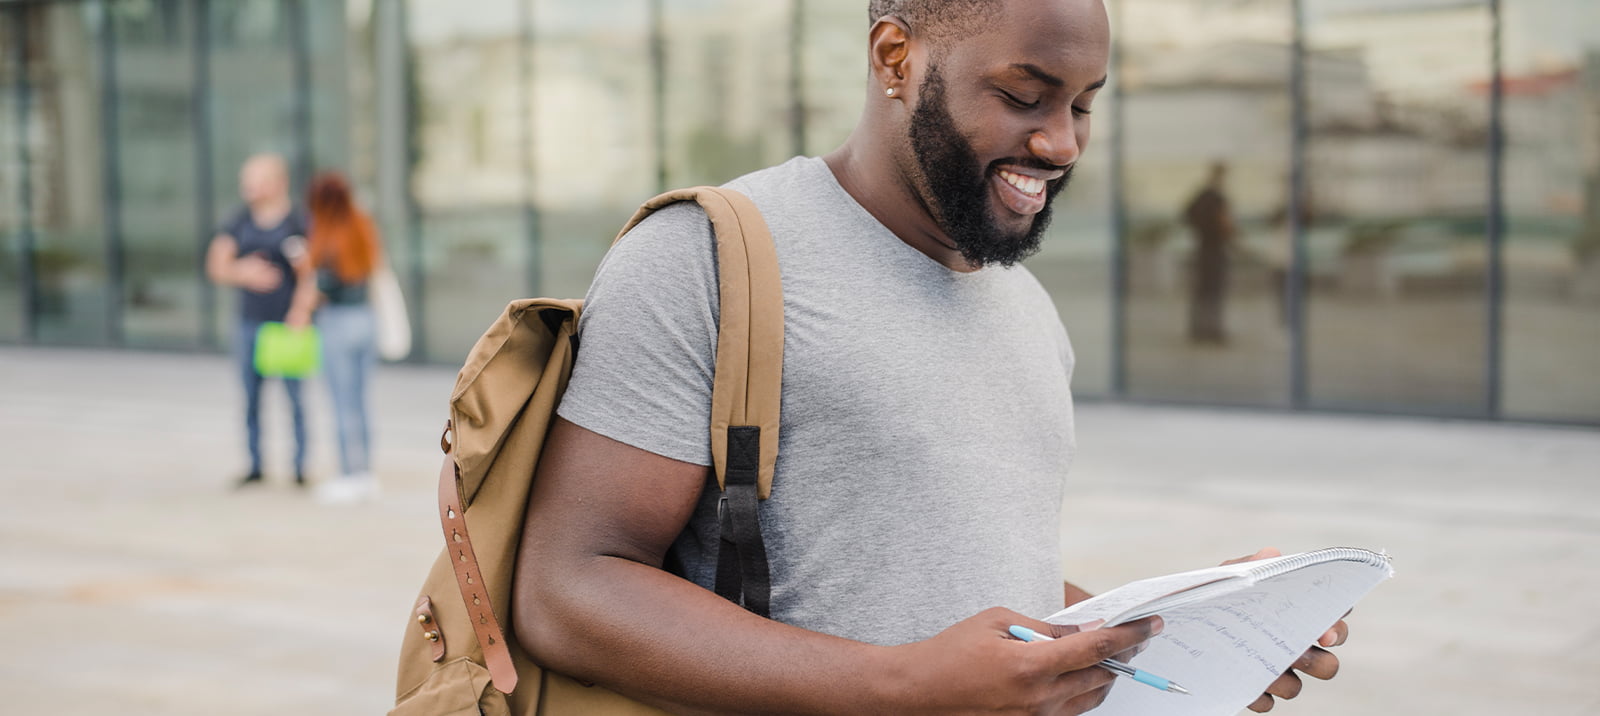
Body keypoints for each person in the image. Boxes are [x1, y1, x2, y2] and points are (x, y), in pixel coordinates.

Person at [512, 1, 1350, 713]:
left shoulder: (1024, 304)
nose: (1060, 144)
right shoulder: (703, 257)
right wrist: (904, 684)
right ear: (895, 56)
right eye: (1025, 95)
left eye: (1084, 106)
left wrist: (1191, 638)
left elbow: (955, 583)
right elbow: (568, 590)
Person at [206, 153, 313, 488]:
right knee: (251, 399)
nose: (248, 188)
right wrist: (244, 272)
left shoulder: (297, 221)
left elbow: (309, 273)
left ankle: (299, 468)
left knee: (295, 399)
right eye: (246, 181)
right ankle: (255, 465)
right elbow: (217, 265)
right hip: (249, 324)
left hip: (286, 327)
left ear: (278, 182)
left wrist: (300, 311)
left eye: (256, 180)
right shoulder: (238, 221)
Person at [298, 171, 383, 503]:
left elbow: (324, 287)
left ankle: (349, 474)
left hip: (337, 323)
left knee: (341, 402)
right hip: (365, 320)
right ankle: (365, 472)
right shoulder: (361, 226)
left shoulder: (329, 234)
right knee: (360, 402)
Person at [1183, 161, 1236, 344]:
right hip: (1213, 248)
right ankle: (1211, 330)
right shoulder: (1215, 197)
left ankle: (1200, 329)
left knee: (1203, 291)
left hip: (1204, 247)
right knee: (1212, 291)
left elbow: (1186, 215)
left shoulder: (1202, 196)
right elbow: (1225, 223)